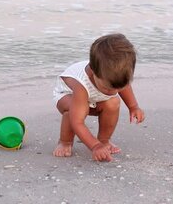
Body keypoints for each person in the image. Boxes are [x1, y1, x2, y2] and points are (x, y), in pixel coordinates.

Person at [52, 33, 145, 162]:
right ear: (93, 72)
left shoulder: (115, 75)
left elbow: (124, 87)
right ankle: (65, 142)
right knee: (74, 112)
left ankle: (104, 140)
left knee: (113, 102)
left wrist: (133, 107)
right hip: (66, 96)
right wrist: (94, 146)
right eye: (108, 88)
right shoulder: (81, 84)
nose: (113, 91)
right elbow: (77, 122)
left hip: (93, 98)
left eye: (118, 87)